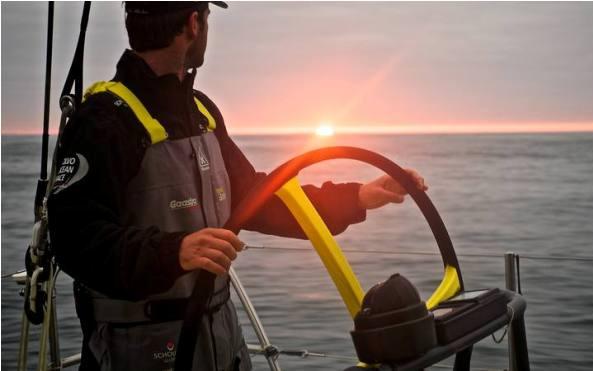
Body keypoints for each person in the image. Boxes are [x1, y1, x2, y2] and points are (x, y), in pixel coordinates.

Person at [48, 2, 428, 370]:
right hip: (138, 350)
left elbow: (255, 198)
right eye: (208, 17)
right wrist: (173, 252)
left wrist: (357, 196)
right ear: (194, 24)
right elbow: (73, 238)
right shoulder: (102, 121)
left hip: (221, 344)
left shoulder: (202, 113)